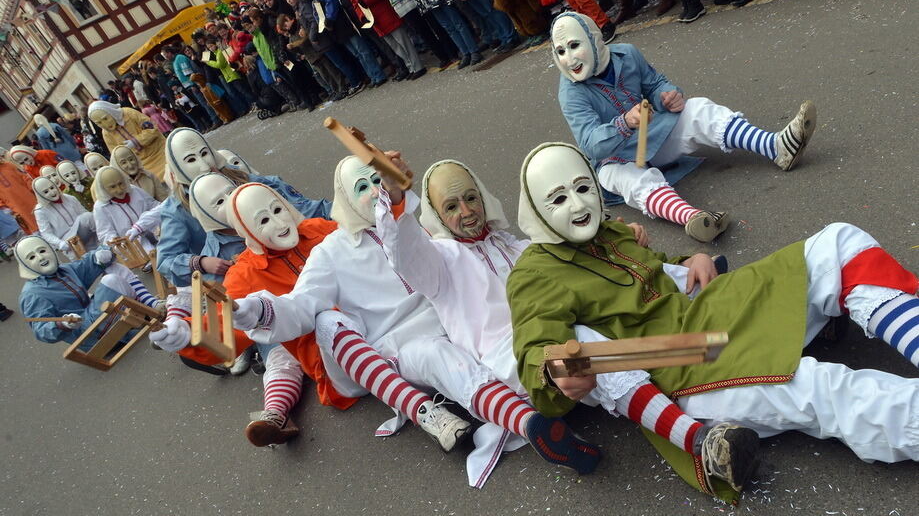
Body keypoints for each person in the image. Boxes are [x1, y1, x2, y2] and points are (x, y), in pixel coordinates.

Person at [508, 141, 919, 501]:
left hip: (708, 311)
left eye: (582, 189)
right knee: (823, 389)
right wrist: (554, 374)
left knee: (838, 243)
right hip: (684, 363)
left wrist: (690, 260)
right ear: (536, 212)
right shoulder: (533, 274)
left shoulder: (609, 230)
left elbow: (652, 270)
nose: (578, 205)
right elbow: (535, 353)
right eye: (558, 200)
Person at [379, 155, 762, 492]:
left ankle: (700, 292)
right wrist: (396, 199)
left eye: (471, 197)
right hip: (519, 363)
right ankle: (699, 442)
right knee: (580, 343)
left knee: (617, 291)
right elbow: (406, 253)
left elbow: (575, 260)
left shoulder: (516, 245)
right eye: (451, 206)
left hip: (563, 328)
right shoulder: (440, 260)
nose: (465, 210)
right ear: (436, 215)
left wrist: (622, 238)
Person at [231, 156, 601, 487]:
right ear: (344, 197)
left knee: (527, 328)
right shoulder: (331, 251)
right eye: (362, 186)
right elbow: (300, 306)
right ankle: (532, 426)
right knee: (339, 324)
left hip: (453, 317)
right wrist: (249, 311)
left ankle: (590, 377)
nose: (374, 191)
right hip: (399, 347)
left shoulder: (409, 219)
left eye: (377, 181)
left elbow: (462, 250)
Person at [551, 12, 816, 241]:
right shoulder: (570, 93)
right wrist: (624, 123)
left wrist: (667, 94)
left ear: (594, 40)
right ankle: (694, 219)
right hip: (613, 159)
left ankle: (776, 147)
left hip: (649, 137)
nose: (569, 59)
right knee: (626, 177)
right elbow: (590, 144)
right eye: (560, 51)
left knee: (697, 108)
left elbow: (655, 83)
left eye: (574, 45)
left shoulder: (628, 53)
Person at [219, 182, 358, 445]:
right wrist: (185, 335)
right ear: (246, 229)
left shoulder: (316, 228)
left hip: (368, 318)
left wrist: (386, 193)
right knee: (280, 354)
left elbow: (363, 236)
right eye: (263, 220)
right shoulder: (243, 274)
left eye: (278, 210)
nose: (278, 222)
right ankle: (275, 413)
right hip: (324, 350)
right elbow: (221, 329)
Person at [155, 128, 331, 289]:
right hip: (250, 273)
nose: (204, 166)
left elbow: (287, 199)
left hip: (294, 253)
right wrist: (201, 263)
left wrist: (336, 214)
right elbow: (166, 261)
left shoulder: (233, 175)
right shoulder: (176, 211)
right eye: (191, 159)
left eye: (204, 153)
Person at [17, 237, 162, 350]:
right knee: (111, 280)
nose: (40, 257)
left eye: (42, 251)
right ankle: (148, 310)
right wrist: (62, 324)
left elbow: (90, 263)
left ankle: (150, 304)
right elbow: (41, 330)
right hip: (87, 333)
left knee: (111, 266)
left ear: (51, 251)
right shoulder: (32, 294)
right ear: (25, 265)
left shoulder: (64, 270)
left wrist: (101, 254)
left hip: (98, 316)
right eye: (31, 257)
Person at [339, 0, 426, 80]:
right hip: (373, 20)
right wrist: (362, 16)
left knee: (403, 41)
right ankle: (410, 67)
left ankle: (418, 66)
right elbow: (354, 3)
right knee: (395, 46)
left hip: (384, 13)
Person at [91, 166, 161, 263]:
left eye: (121, 183)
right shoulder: (100, 207)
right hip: (131, 242)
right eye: (112, 187)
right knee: (153, 255)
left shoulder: (134, 190)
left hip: (151, 228)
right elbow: (105, 233)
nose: (119, 190)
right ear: (103, 188)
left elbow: (153, 205)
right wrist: (113, 239)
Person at [87, 100, 167, 180]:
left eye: (105, 118)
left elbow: (152, 128)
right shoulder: (106, 133)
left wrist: (136, 141)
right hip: (141, 166)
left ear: (110, 112)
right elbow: (115, 153)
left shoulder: (128, 113)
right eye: (99, 123)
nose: (105, 124)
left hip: (160, 152)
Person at [31, 176, 97, 258]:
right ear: (40, 195)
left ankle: (104, 240)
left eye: (52, 188)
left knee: (88, 216)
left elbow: (84, 214)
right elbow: (46, 233)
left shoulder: (69, 198)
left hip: (83, 231)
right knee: (86, 262)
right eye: (46, 192)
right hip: (67, 240)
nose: (52, 192)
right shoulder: (40, 211)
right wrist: (60, 243)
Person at [163, 46, 221, 129]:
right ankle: (215, 119)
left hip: (193, 84)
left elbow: (189, 72)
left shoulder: (179, 58)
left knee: (205, 103)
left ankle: (216, 119)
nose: (165, 57)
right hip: (188, 86)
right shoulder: (174, 61)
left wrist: (193, 84)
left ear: (169, 52)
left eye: (165, 54)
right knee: (203, 103)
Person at [0, 157, 38, 233]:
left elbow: (25, 178)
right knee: (34, 228)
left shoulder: (9, 165)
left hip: (32, 199)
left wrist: (34, 188)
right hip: (17, 209)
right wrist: (5, 208)